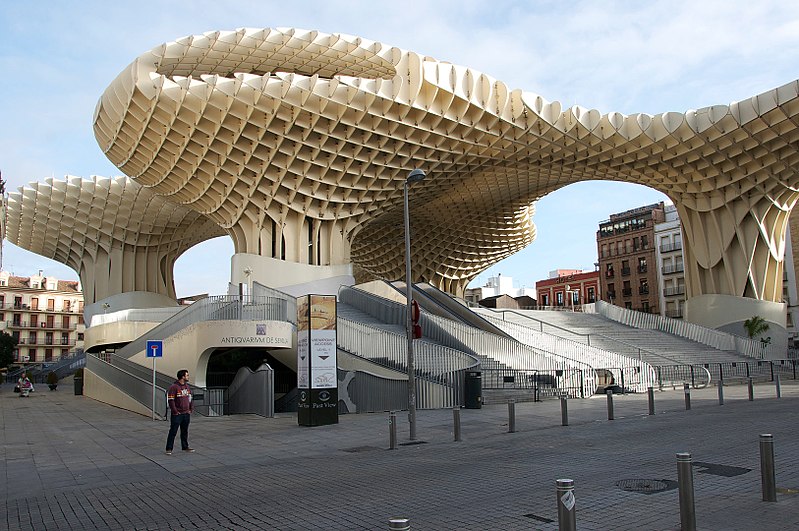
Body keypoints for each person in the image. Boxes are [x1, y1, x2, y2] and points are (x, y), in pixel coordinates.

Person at [165, 369, 194, 455]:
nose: (188, 377)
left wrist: (190, 408)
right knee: (173, 431)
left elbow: (190, 398)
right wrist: (175, 411)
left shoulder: (187, 387)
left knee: (184, 431)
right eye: (187, 375)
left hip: (186, 413)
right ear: (182, 377)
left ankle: (185, 446)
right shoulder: (174, 387)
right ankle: (169, 448)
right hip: (177, 414)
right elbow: (171, 400)